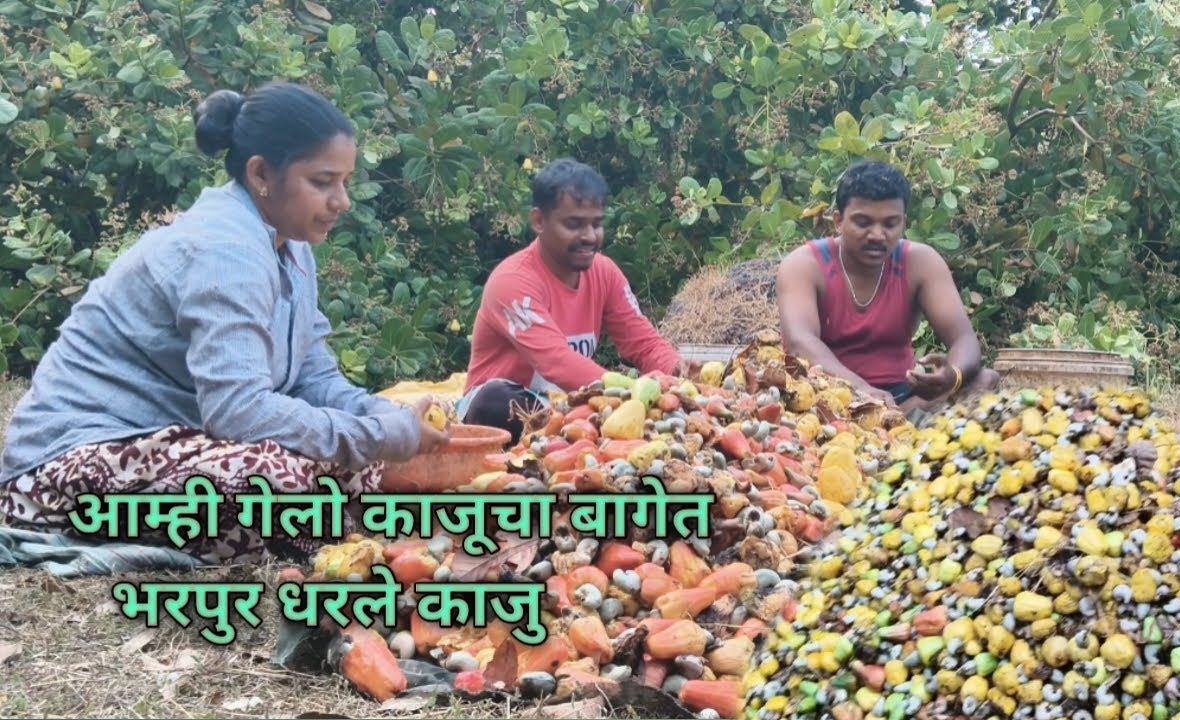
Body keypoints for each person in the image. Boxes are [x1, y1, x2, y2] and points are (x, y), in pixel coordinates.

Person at [0, 83, 448, 564]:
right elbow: (238, 410)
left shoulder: (290, 245)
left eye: (345, 182)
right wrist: (381, 435)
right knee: (279, 482)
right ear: (261, 173)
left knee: (358, 462)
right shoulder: (225, 250)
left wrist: (381, 416)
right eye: (322, 182)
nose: (342, 201)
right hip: (68, 465)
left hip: (173, 443)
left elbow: (312, 377)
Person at [460, 158, 696, 441]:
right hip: (509, 406)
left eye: (596, 224)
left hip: (572, 404)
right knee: (497, 402)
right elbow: (556, 362)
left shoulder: (605, 272)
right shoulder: (512, 281)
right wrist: (629, 395)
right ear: (538, 221)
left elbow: (643, 344)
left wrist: (676, 374)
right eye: (574, 224)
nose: (589, 236)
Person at [777, 160, 998, 412]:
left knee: (985, 380)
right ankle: (893, 425)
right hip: (826, 395)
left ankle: (895, 422)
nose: (877, 235)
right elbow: (799, 342)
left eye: (890, 224)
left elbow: (964, 338)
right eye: (863, 223)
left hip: (900, 397)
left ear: (903, 222)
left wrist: (951, 376)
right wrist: (861, 390)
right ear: (838, 221)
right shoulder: (804, 265)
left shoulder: (920, 262)